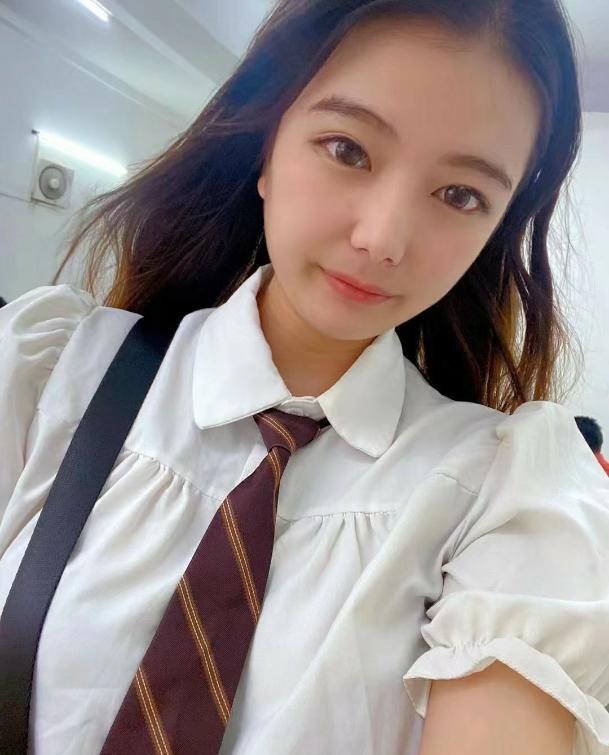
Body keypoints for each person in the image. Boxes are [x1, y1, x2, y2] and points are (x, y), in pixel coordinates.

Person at [1, 1, 608, 754]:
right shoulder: (45, 374)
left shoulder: (504, 496)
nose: (382, 239)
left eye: (460, 195)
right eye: (347, 149)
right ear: (266, 146)